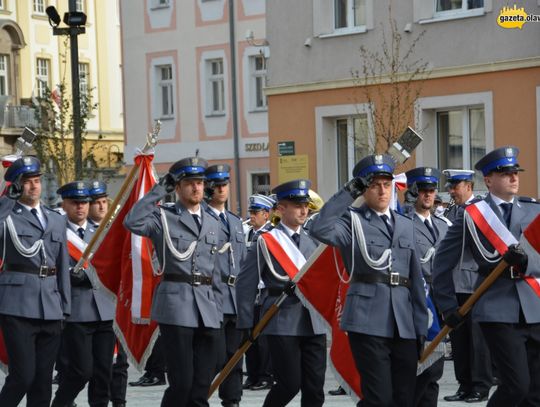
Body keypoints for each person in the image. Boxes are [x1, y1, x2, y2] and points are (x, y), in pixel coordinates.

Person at [310, 154, 428, 407]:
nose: (382, 190)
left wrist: (420, 326)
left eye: (387, 184)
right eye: (374, 184)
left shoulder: (406, 224)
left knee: (405, 397)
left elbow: (415, 279)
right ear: (364, 189)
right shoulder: (351, 221)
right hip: (367, 320)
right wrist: (349, 192)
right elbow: (319, 228)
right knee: (379, 398)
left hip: (403, 322)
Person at [433, 146, 540, 406]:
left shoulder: (533, 210)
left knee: (536, 393)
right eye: (505, 173)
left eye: (515, 172)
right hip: (496, 308)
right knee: (516, 386)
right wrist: (449, 308)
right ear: (489, 180)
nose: (513, 177)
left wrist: (528, 261)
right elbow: (442, 264)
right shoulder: (473, 216)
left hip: (534, 306)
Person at [124, 156, 222, 407]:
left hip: (208, 307)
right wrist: (158, 190)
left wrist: (220, 306)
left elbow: (216, 269)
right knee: (182, 383)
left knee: (202, 384)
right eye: (189, 183)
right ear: (177, 188)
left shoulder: (213, 221)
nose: (196, 188)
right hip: (176, 305)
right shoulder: (163, 217)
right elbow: (132, 221)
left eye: (200, 182)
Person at [236, 179, 327, 407]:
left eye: (305, 205)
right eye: (297, 205)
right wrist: (246, 322)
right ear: (280, 208)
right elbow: (246, 283)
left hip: (313, 320)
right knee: (289, 384)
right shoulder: (266, 241)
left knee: (315, 388)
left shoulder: (314, 240)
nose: (304, 210)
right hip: (281, 319)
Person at [0, 156, 70, 407]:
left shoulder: (56, 218)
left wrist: (65, 305)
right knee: (23, 376)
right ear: (17, 185)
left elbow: (62, 264)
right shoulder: (7, 215)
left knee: (42, 381)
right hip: (17, 306)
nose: (33, 186)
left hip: (50, 306)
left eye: (37, 181)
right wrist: (7, 198)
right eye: (27, 182)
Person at [51, 181, 116, 407]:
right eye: (75, 203)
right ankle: (61, 403)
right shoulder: (56, 231)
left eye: (84, 203)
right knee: (80, 371)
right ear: (65, 204)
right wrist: (68, 275)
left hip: (105, 310)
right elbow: (50, 265)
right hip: (77, 312)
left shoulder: (99, 231)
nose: (81, 207)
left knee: (103, 372)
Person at [440, 169, 493, 403]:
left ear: (469, 186)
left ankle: (481, 386)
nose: (452, 191)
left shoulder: (481, 211)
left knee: (477, 341)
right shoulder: (453, 211)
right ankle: (464, 384)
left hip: (476, 285)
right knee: (460, 340)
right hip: (456, 284)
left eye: (456, 186)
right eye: (450, 187)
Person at [404, 167, 449, 407]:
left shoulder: (443, 225)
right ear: (413, 193)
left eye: (431, 190)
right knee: (419, 365)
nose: (428, 195)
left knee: (435, 367)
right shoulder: (404, 223)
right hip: (415, 299)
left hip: (439, 298)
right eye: (423, 191)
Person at [204, 164, 246, 407]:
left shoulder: (234, 221)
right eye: (217, 185)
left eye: (225, 184)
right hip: (213, 297)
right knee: (215, 356)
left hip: (235, 298)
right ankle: (200, 396)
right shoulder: (203, 219)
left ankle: (232, 400)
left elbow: (241, 260)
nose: (222, 189)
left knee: (235, 356)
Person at [242, 194, 274, 391]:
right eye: (251, 212)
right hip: (249, 292)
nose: (251, 216)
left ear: (266, 214)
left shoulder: (272, 234)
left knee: (264, 340)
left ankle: (266, 376)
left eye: (255, 213)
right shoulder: (246, 233)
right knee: (248, 337)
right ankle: (253, 375)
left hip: (264, 292)